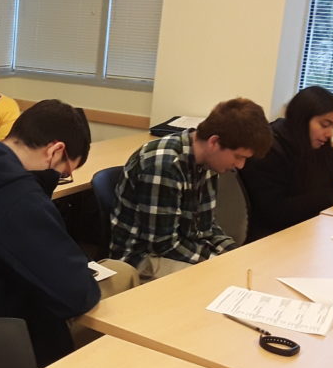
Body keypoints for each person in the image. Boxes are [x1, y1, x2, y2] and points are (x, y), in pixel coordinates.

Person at [0, 99, 138, 367]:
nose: (59, 180)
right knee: (123, 275)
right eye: (64, 173)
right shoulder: (20, 201)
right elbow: (78, 296)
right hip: (18, 333)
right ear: (55, 151)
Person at [110, 97, 272, 280]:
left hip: (179, 251)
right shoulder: (164, 166)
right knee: (220, 280)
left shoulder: (209, 162)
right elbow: (162, 245)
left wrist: (233, 253)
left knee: (237, 270)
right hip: (141, 260)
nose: (240, 165)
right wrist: (215, 261)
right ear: (214, 142)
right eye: (238, 156)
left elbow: (206, 227)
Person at [239, 85, 333, 241]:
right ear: (301, 119)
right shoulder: (269, 150)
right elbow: (275, 212)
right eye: (324, 125)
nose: (329, 133)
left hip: (310, 233)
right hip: (274, 239)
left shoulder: (315, 145)